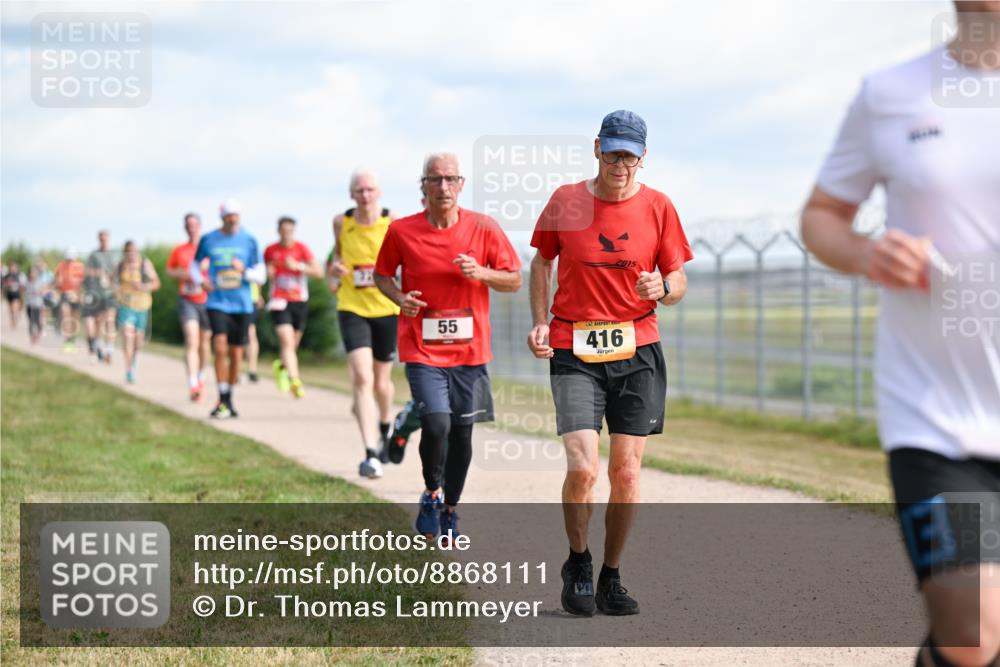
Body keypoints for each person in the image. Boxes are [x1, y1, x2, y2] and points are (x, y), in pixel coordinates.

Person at [802, 5, 999, 666]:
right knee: (974, 630)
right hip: (938, 417)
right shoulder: (891, 93)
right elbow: (822, 214)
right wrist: (867, 252)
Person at [527, 110, 693, 617]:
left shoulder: (659, 206)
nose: (620, 165)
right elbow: (542, 261)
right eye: (613, 153)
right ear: (597, 147)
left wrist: (663, 287)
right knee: (583, 467)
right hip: (574, 347)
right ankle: (578, 561)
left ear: (643, 158)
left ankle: (611, 576)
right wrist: (539, 321)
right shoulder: (566, 200)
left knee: (626, 472)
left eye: (630, 156)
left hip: (638, 349)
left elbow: (678, 280)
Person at [374, 152, 522, 539]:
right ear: (423, 186)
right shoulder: (401, 231)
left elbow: (514, 279)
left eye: (450, 179)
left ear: (461, 184)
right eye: (435, 179)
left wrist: (482, 272)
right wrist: (399, 298)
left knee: (462, 434)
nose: (443, 186)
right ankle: (432, 493)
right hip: (422, 348)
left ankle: (451, 509)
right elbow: (382, 275)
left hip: (470, 352)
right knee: (437, 424)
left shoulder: (483, 227)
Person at [329, 170, 401, 478]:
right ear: (351, 194)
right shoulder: (341, 222)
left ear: (379, 192)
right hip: (352, 306)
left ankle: (385, 426)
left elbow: (404, 258)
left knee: (382, 383)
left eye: (370, 189)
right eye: (359, 190)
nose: (365, 195)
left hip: (386, 307)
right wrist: (334, 268)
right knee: (362, 377)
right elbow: (336, 257)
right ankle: (370, 453)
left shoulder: (391, 221)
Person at [192, 199, 263, 419]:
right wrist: (201, 281)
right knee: (220, 345)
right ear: (222, 217)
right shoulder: (209, 239)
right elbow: (194, 266)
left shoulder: (249, 240)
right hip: (217, 301)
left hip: (242, 303)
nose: (233, 219)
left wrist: (244, 272)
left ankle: (229, 397)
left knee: (236, 352)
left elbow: (261, 275)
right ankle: (222, 396)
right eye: (229, 216)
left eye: (236, 216)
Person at [264, 216, 322, 398]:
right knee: (286, 341)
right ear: (278, 231)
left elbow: (319, 272)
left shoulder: (301, 248)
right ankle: (294, 379)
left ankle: (282, 366)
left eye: (289, 231)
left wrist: (298, 266)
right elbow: (265, 273)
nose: (286, 234)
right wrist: (269, 273)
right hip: (279, 300)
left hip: (299, 300)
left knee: (293, 344)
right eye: (283, 231)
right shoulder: (270, 250)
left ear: (293, 231)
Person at [166, 213, 213, 401]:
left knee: (205, 342)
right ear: (185, 228)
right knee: (192, 340)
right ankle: (192, 383)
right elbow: (169, 270)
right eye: (188, 225)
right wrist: (182, 274)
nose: (191, 228)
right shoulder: (179, 250)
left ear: (200, 226)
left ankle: (201, 376)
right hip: (187, 299)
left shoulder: (209, 248)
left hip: (208, 300)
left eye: (194, 225)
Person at [115, 241, 161, 383]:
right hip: (126, 306)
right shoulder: (120, 266)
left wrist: (143, 286)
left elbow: (157, 283)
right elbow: (112, 282)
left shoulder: (145, 264)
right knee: (128, 336)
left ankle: (133, 362)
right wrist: (115, 291)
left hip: (142, 306)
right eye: (128, 251)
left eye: (134, 251)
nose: (131, 254)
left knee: (138, 341)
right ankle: (129, 370)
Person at [83, 230, 119, 363]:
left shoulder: (115, 255)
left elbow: (118, 271)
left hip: (110, 294)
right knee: (97, 322)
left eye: (105, 238)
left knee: (110, 320)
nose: (103, 241)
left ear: (108, 239)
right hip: (96, 294)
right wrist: (99, 273)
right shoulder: (94, 255)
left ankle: (109, 350)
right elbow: (87, 271)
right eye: (101, 239)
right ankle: (96, 346)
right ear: (99, 239)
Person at [53, 250, 85, 351]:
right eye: (68, 259)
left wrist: (81, 294)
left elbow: (84, 283)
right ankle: (67, 341)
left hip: (76, 296)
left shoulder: (80, 267)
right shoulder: (61, 266)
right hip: (65, 295)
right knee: (66, 315)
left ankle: (72, 339)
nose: (70, 262)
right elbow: (56, 281)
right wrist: (57, 287)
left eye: (71, 260)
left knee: (75, 319)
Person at [245, 281, 263, 383]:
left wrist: (259, 294)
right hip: (232, 297)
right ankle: (235, 367)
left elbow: (258, 277)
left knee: (250, 333)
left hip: (251, 298)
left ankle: (252, 369)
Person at [24, 265, 46, 344]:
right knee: (30, 321)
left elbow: (44, 291)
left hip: (37, 305)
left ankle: (39, 332)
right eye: (31, 272)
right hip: (29, 304)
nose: (32, 274)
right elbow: (24, 291)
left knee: (37, 321)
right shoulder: (27, 282)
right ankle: (32, 338)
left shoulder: (40, 282)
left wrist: (40, 291)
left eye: (34, 272)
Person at [3, 261, 25, 329]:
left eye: (14, 267)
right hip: (9, 294)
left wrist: (21, 291)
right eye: (11, 267)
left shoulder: (20, 275)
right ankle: (13, 321)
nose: (13, 268)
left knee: (15, 307)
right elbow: (4, 284)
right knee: (10, 310)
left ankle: (16, 316)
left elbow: (22, 285)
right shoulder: (7, 275)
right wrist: (7, 285)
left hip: (17, 294)